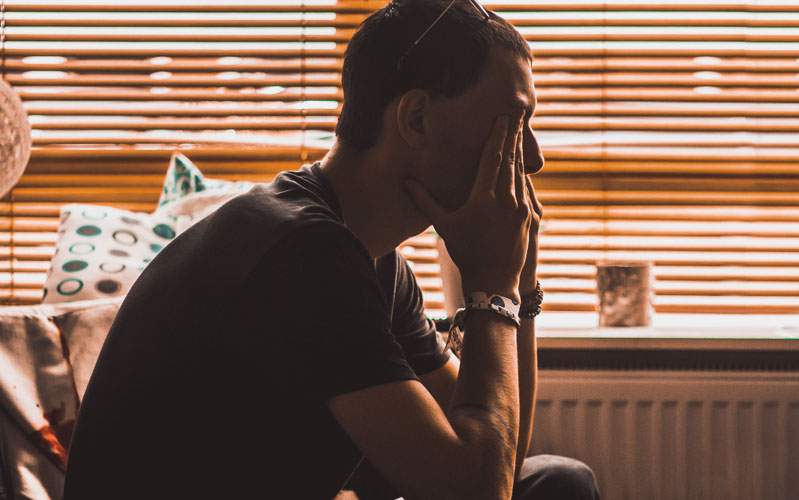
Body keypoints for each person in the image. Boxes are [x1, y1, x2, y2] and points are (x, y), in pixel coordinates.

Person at [63, 1, 601, 499]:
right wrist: (494, 287)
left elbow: (499, 457)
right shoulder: (302, 253)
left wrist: (518, 288)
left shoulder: (371, 258)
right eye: (513, 123)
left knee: (555, 481)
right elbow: (476, 492)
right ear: (415, 119)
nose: (533, 159)